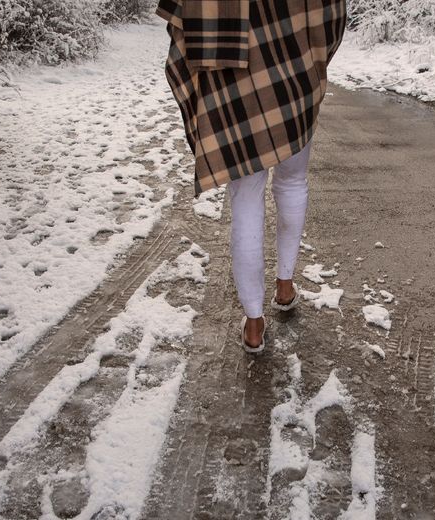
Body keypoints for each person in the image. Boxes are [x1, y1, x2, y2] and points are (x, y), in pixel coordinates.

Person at [156, 0, 347, 353]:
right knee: (292, 182)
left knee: (245, 199)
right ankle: (285, 286)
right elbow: (332, 14)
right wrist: (313, 59)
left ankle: (254, 324)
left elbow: (182, 21)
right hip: (297, 72)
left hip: (232, 81)